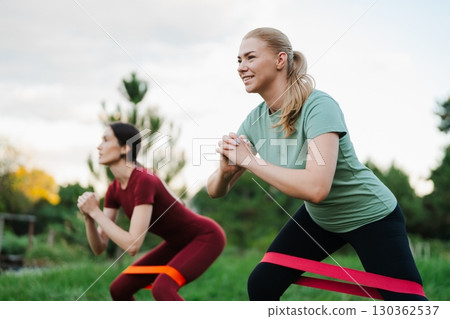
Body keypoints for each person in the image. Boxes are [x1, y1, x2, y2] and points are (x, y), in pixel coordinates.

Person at [207, 27, 427, 301]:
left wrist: (250, 161)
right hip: (321, 218)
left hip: (370, 214)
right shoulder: (254, 121)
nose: (241, 67)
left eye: (250, 57)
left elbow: (316, 188)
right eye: (238, 60)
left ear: (280, 60)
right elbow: (215, 191)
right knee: (262, 284)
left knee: (407, 304)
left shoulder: (319, 106)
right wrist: (225, 173)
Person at [78, 122, 226, 301]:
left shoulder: (143, 180)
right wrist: (89, 218)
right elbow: (99, 247)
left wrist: (96, 212)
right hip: (175, 244)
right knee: (119, 289)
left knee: (163, 289)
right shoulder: (114, 189)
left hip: (205, 237)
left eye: (106, 140)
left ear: (125, 148)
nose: (99, 146)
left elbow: (133, 245)